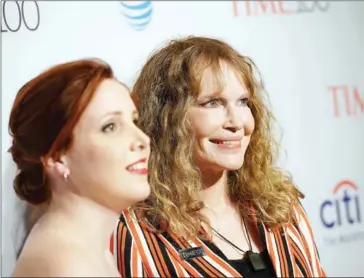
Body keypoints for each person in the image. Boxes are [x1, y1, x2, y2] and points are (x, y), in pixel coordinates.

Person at [112, 36, 326, 277]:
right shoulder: (136, 230)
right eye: (212, 103)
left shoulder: (282, 207)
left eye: (243, 102)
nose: (237, 122)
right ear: (167, 119)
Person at [9, 59, 150, 277]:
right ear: (57, 157)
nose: (142, 140)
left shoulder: (84, 248)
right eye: (110, 127)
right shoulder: (68, 266)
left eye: (135, 121)